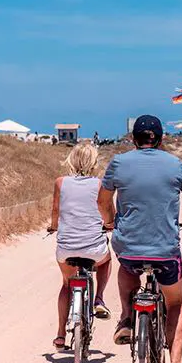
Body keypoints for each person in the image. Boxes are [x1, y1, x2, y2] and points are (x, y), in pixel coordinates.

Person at [97, 114, 182, 363]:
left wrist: (110, 221)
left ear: (133, 139)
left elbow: (103, 201)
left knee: (127, 269)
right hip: (165, 253)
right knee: (176, 303)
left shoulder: (119, 163)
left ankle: (125, 318)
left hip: (129, 248)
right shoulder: (175, 165)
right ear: (161, 139)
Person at [49, 144, 112, 351]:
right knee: (106, 260)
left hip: (67, 247)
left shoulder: (61, 182)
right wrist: (109, 224)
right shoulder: (100, 184)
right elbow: (106, 212)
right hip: (93, 247)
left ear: (71, 160)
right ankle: (99, 298)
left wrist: (53, 227)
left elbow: (56, 210)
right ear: (94, 162)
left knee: (67, 284)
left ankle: (60, 334)